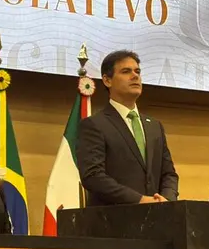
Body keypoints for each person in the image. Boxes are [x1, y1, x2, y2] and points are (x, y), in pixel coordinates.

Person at [76, 50, 179, 206]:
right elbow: (93, 176)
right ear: (107, 80)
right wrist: (139, 200)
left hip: (158, 219)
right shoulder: (94, 125)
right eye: (126, 71)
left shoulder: (154, 126)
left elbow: (169, 173)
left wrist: (167, 200)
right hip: (113, 222)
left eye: (137, 71)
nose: (135, 76)